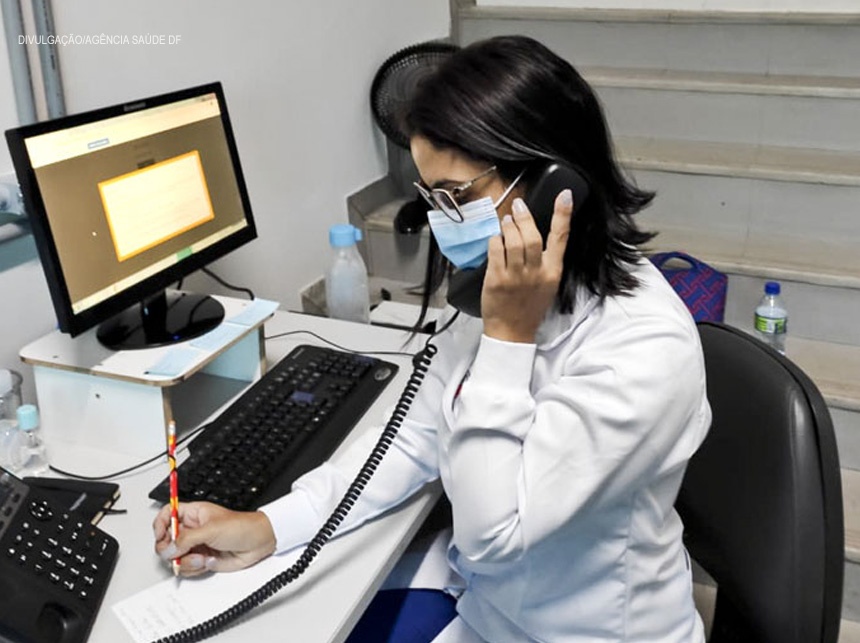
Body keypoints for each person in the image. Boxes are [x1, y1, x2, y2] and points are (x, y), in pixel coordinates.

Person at [154, 35, 711, 643]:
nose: (444, 221)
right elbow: (413, 441)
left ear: (558, 188)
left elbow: (493, 535)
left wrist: (505, 337)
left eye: (458, 196)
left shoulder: (642, 349)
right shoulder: (502, 291)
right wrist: (272, 523)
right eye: (430, 197)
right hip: (491, 613)